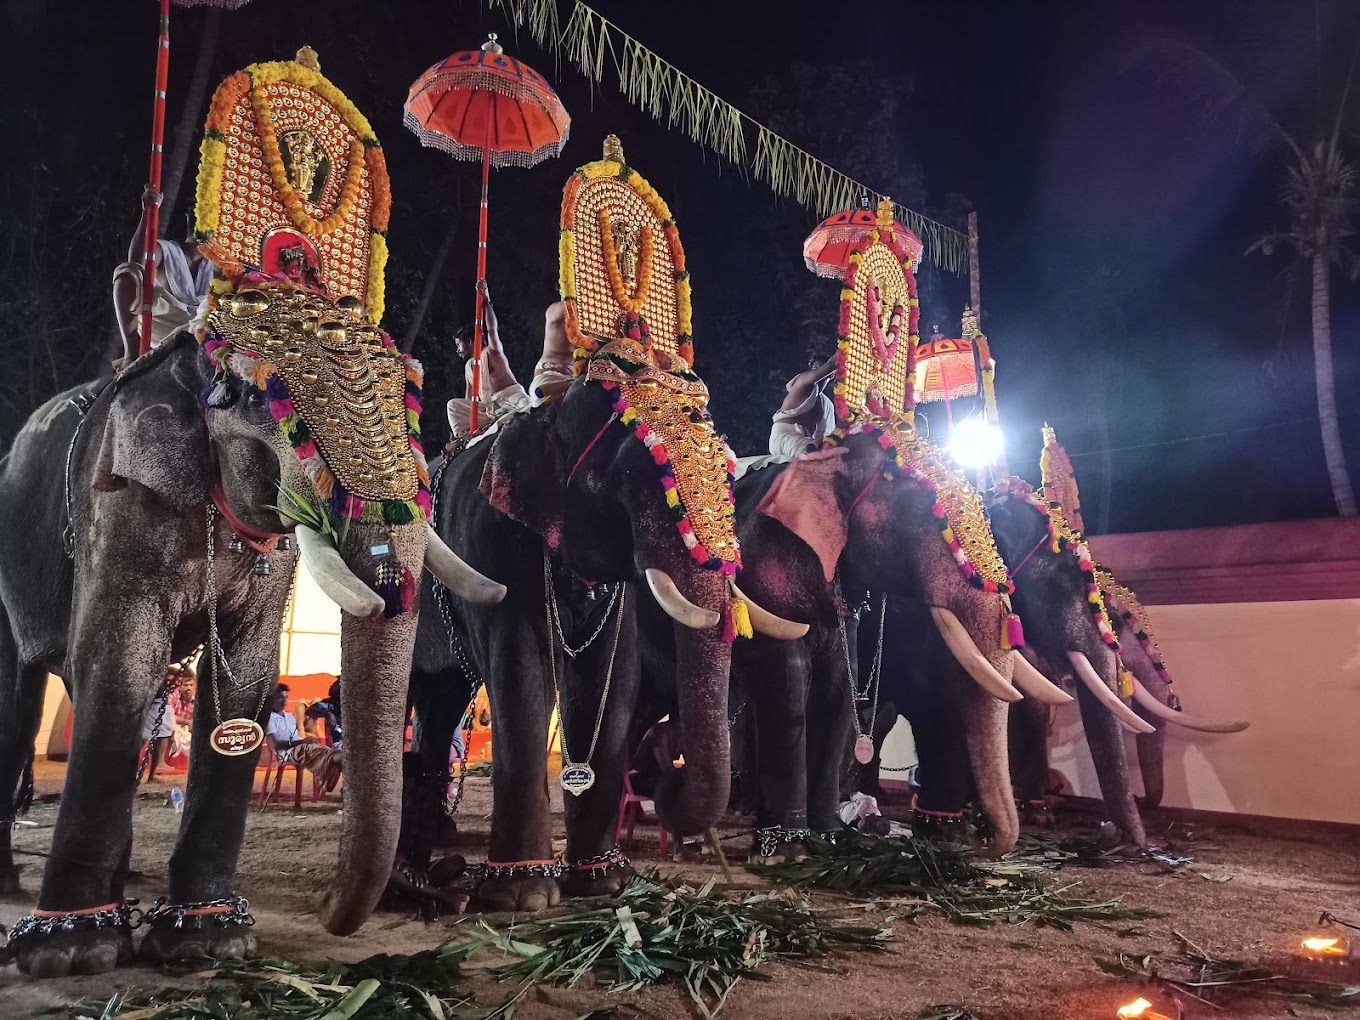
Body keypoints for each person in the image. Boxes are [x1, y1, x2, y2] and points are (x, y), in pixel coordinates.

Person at [111, 185, 216, 369]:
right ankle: (131, 354)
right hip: (164, 327)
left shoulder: (221, 263)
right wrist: (149, 212)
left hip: (202, 329)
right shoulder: (167, 250)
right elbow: (136, 262)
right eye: (200, 211)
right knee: (127, 273)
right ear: (189, 216)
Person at [446, 281, 531, 436]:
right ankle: (463, 437)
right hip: (488, 408)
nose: (457, 350)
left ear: (469, 341)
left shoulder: (492, 352)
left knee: (531, 410)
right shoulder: (469, 367)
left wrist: (486, 298)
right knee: (452, 406)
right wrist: (470, 420)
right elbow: (470, 398)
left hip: (511, 399)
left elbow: (492, 329)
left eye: (459, 344)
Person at [266, 683, 343, 792]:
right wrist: (302, 741)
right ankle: (334, 772)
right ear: (271, 699)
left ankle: (332, 774)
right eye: (279, 698)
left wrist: (307, 740)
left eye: (286, 697)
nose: (284, 701)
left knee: (326, 751)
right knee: (334, 756)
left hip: (302, 747)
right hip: (289, 751)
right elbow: (276, 744)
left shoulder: (289, 717)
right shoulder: (269, 718)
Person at [768, 352, 838, 460]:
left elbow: (826, 435)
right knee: (821, 457)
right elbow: (830, 365)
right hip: (784, 438)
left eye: (820, 367)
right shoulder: (802, 382)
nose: (818, 371)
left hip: (805, 440)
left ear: (832, 375)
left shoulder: (827, 404)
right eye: (815, 368)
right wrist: (848, 345)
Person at [304, 678, 342, 746]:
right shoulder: (329, 703)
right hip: (338, 743)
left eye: (335, 684)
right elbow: (310, 711)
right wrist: (327, 714)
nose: (331, 686)